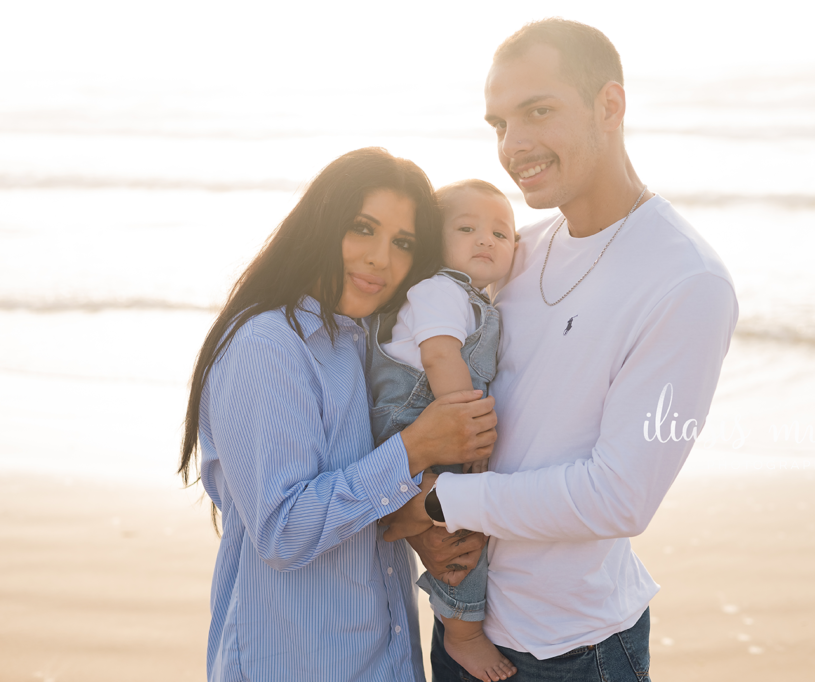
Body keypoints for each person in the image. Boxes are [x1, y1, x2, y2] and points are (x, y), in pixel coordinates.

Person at [386, 19, 740, 681]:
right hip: (466, 622)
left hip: (574, 649)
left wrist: (436, 505)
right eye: (498, 124)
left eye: (538, 111)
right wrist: (426, 526)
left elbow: (620, 497)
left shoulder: (687, 282)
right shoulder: (514, 251)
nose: (513, 146)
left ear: (610, 106)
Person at [177, 147, 497, 682]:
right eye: (362, 228)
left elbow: (358, 496)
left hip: (383, 656)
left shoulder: (360, 340)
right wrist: (418, 446)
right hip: (294, 663)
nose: (380, 258)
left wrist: (420, 522)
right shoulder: (267, 344)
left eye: (403, 243)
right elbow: (284, 531)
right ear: (322, 223)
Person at [367, 180, 518, 682]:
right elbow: (439, 355)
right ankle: (463, 633)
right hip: (422, 417)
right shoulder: (439, 290)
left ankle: (407, 520)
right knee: (461, 532)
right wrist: (466, 425)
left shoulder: (470, 297)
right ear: (437, 240)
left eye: (501, 233)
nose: (486, 240)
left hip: (432, 420)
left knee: (450, 519)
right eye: (468, 228)